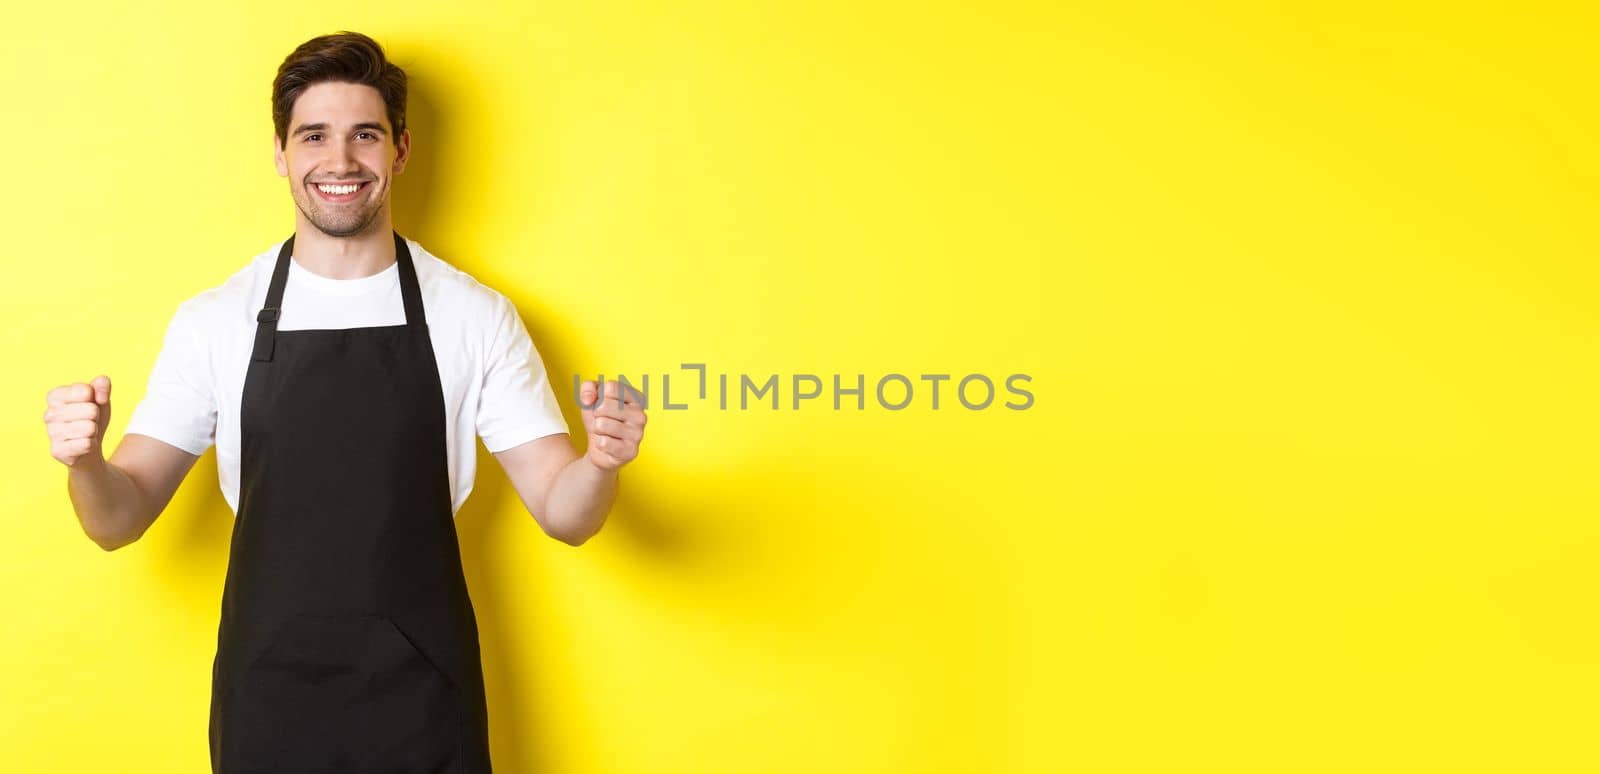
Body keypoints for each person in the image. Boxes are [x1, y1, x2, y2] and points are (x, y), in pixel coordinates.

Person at [38, 31, 647, 773]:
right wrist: (86, 463)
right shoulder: (216, 320)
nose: (340, 161)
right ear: (280, 153)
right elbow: (117, 520)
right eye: (314, 136)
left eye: (365, 135)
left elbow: (565, 512)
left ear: (400, 150)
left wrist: (603, 464)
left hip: (424, 696)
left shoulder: (473, 315)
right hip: (268, 696)